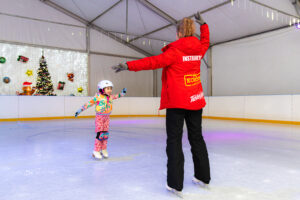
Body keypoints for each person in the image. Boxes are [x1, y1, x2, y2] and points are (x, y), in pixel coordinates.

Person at [112, 12, 210, 196]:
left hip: (177, 103)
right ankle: (203, 177)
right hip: (196, 101)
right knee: (197, 138)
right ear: (192, 32)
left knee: (174, 142)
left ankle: (175, 184)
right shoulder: (199, 49)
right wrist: (204, 25)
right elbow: (205, 41)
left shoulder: (174, 51)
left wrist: (128, 65)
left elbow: (152, 62)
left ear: (179, 34)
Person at [75, 80, 127, 160]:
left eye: (110, 88)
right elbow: (88, 104)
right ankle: (96, 151)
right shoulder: (98, 97)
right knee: (100, 134)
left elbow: (117, 96)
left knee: (105, 135)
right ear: (102, 89)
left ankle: (103, 149)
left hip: (107, 117)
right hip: (99, 117)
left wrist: (123, 93)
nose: (110, 90)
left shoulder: (110, 97)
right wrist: (80, 110)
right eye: (108, 88)